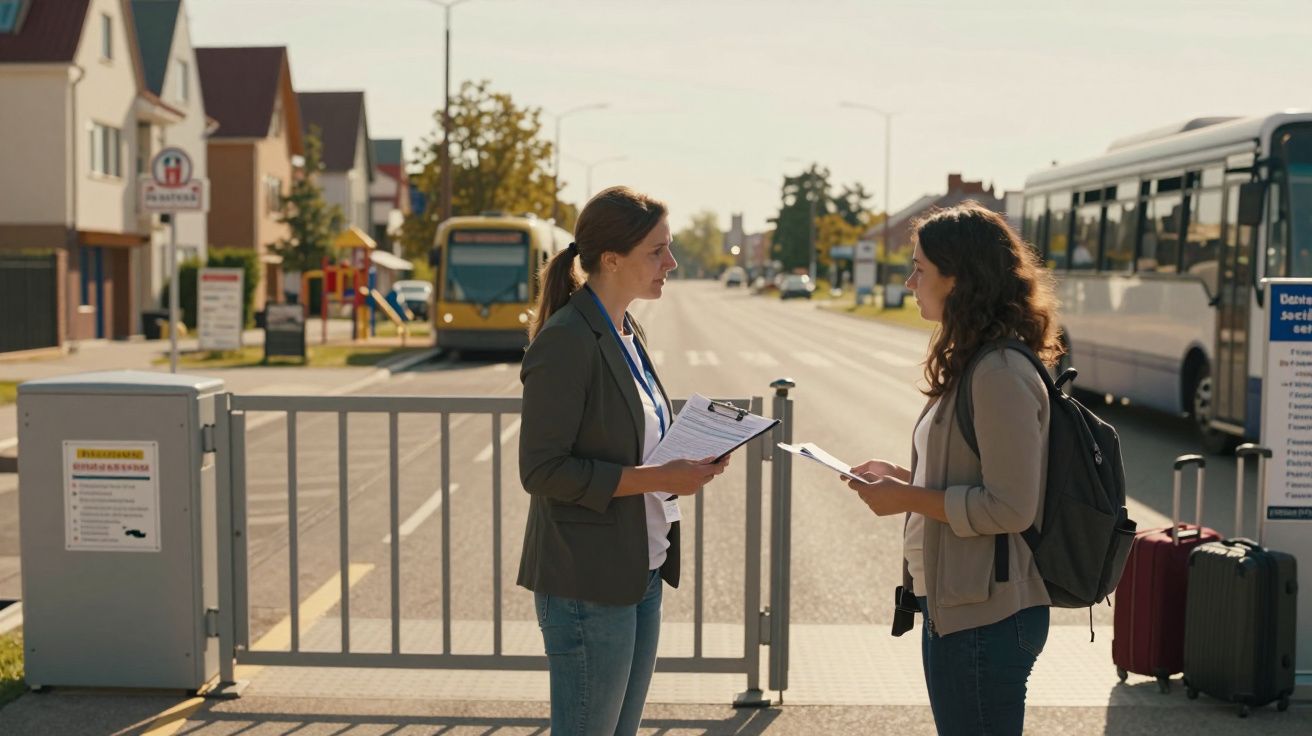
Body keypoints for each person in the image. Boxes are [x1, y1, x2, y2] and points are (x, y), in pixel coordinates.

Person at [518, 186, 730, 735]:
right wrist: (659, 478)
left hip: (642, 568)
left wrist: (688, 458)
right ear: (612, 259)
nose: (671, 262)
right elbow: (541, 470)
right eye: (657, 251)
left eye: (670, 247)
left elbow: (630, 441)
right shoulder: (567, 340)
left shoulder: (625, 328)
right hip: (588, 583)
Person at [844, 201, 1062, 735]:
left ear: (958, 279)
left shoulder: (999, 371)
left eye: (920, 268)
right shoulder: (976, 360)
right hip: (958, 604)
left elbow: (1010, 505)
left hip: (987, 616)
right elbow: (971, 475)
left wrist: (907, 498)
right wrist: (903, 478)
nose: (910, 280)